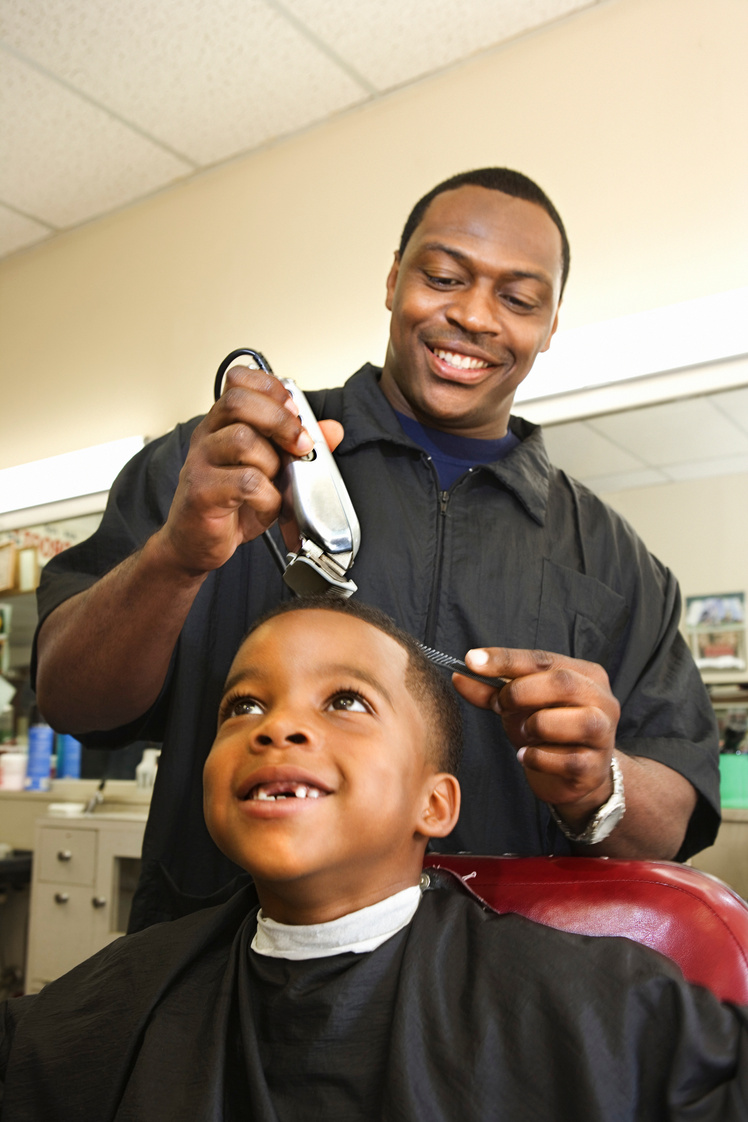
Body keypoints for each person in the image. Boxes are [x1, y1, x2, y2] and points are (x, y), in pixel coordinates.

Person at [32, 168, 719, 932]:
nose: (474, 316)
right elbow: (70, 699)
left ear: (551, 324)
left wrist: (600, 785)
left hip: (490, 1003)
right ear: (395, 280)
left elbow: (678, 817)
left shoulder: (613, 561)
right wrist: (177, 555)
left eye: (518, 299)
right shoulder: (227, 462)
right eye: (444, 276)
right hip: (222, 985)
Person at [2, 599, 745, 1121]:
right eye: (243, 706)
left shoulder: (606, 1011)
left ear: (436, 805)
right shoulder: (119, 997)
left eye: (346, 702)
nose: (278, 726)